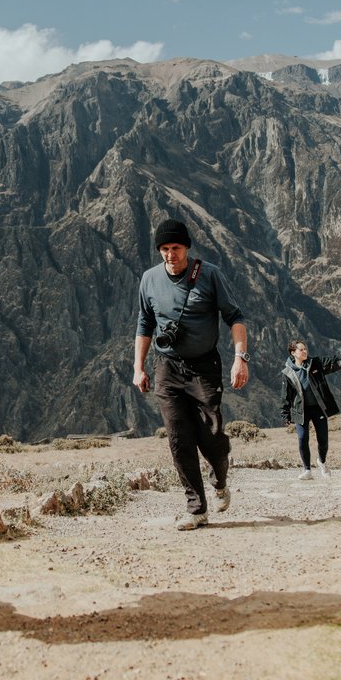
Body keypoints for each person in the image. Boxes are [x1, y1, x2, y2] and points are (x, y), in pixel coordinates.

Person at [134, 217, 249, 529]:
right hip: (167, 368)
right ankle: (196, 509)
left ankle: (220, 479)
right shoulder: (149, 279)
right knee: (178, 438)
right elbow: (144, 324)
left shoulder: (209, 275)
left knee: (211, 436)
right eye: (165, 248)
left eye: (176, 247)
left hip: (204, 367)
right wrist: (138, 367)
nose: (171, 254)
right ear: (159, 250)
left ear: (186, 247)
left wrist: (240, 358)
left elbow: (235, 317)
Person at [281, 339, 341, 480]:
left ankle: (322, 462)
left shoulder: (315, 363)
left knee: (323, 440)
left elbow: (335, 361)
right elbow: (285, 394)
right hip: (301, 410)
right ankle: (307, 470)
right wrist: (285, 414)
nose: (305, 351)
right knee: (302, 438)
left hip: (318, 409)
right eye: (301, 349)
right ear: (293, 353)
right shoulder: (288, 372)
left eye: (305, 349)